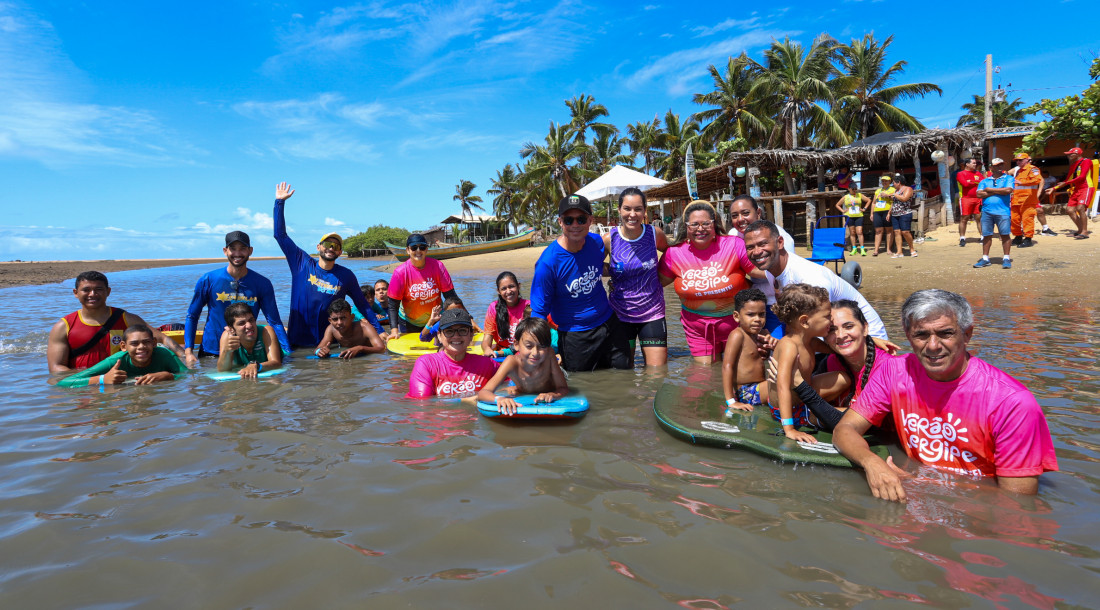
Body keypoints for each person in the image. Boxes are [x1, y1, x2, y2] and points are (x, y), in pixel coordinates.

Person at [834, 289, 1059, 502]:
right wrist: (872, 463)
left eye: (945, 333)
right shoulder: (893, 372)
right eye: (921, 335)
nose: (933, 346)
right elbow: (844, 430)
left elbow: (1016, 505)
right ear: (908, 337)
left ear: (967, 334)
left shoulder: (1012, 403)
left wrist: (920, 486)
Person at [272, 182, 384, 347]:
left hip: (329, 343)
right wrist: (279, 203)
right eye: (327, 243)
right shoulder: (301, 263)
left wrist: (380, 331)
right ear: (318, 247)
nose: (331, 248)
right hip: (297, 342)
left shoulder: (346, 276)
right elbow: (280, 235)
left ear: (339, 252)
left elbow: (362, 305)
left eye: (336, 246)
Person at [531, 194, 632, 372]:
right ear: (560, 222)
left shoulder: (596, 242)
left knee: (625, 377)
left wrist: (621, 275)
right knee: (584, 386)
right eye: (569, 220)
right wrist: (538, 350)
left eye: (581, 219)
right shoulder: (548, 263)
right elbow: (539, 312)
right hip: (575, 336)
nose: (575, 225)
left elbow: (598, 266)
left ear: (590, 220)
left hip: (609, 324)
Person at [742, 220, 889, 340]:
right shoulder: (770, 270)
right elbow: (794, 321)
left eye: (762, 244)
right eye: (750, 247)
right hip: (834, 333)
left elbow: (816, 334)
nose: (756, 252)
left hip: (867, 337)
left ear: (780, 242)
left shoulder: (809, 278)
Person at [766, 300, 895, 432]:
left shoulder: (888, 368)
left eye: (849, 326)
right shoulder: (831, 360)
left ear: (865, 328)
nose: (840, 335)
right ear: (825, 335)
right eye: (832, 330)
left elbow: (861, 426)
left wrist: (800, 385)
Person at [658, 200, 761, 364]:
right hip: (697, 329)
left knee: (740, 372)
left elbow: (760, 272)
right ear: (686, 227)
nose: (700, 229)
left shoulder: (734, 245)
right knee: (704, 375)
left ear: (715, 224)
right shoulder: (674, 253)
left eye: (706, 223)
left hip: (736, 325)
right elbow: (656, 284)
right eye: (694, 224)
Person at [47, 271, 193, 374]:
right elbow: (56, 369)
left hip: (122, 379)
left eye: (99, 289)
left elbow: (161, 338)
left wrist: (185, 357)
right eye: (86, 290)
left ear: (108, 291)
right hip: (86, 382)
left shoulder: (125, 318)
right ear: (75, 293)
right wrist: (93, 376)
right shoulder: (64, 326)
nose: (93, 294)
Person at [183, 230, 291, 360]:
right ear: (225, 251)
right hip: (212, 351)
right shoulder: (208, 280)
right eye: (233, 249)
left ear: (250, 251)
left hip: (245, 353)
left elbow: (274, 322)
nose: (237, 254)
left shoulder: (262, 283)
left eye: (242, 249)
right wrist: (189, 352)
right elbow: (192, 315)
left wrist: (288, 353)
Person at [603, 187, 669, 367]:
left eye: (638, 209)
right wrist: (613, 271)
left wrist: (662, 275)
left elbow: (673, 255)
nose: (632, 214)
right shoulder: (610, 239)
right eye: (627, 209)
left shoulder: (654, 234)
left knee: (657, 374)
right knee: (624, 372)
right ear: (619, 210)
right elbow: (594, 266)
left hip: (652, 312)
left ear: (644, 211)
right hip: (620, 313)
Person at [768, 284, 832, 443]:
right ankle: (797, 419)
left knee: (843, 378)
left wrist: (870, 340)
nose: (832, 320)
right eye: (827, 316)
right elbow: (782, 387)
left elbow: (842, 349)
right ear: (804, 321)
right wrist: (789, 429)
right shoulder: (789, 347)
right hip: (790, 410)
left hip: (803, 397)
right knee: (841, 417)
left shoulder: (811, 342)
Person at [726, 194, 793, 337]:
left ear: (758, 213)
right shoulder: (733, 235)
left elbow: (787, 274)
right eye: (735, 215)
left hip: (777, 304)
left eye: (745, 213)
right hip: (753, 303)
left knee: (778, 349)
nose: (740, 219)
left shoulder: (778, 235)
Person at [475, 317, 569, 416]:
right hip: (522, 392)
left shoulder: (549, 355)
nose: (535, 353)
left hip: (547, 390)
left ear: (548, 346)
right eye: (529, 346)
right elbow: (483, 393)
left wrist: (553, 395)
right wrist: (499, 399)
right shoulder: (511, 362)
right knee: (508, 390)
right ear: (516, 344)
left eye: (542, 347)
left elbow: (563, 388)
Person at [406, 309, 499, 399]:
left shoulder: (488, 364)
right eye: (449, 331)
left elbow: (509, 387)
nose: (456, 336)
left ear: (471, 335)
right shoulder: (426, 364)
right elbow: (421, 404)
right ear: (439, 335)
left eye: (462, 331)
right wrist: (463, 401)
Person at [57, 324, 187, 388]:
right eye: (135, 344)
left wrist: (168, 376)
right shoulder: (115, 361)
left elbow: (189, 375)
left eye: (146, 342)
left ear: (154, 343)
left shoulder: (165, 354)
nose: (141, 347)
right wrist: (103, 379)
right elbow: (63, 383)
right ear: (124, 346)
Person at [387, 234, 459, 339]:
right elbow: (393, 304)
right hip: (409, 322)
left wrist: (465, 318)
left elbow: (451, 297)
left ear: (426, 249)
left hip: (436, 319)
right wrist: (394, 331)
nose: (418, 250)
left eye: (422, 247)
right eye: (414, 247)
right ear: (408, 250)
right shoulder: (400, 273)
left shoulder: (438, 266)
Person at [721, 288, 770, 413]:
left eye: (762, 314)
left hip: (760, 387)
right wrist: (731, 401)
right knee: (784, 383)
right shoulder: (738, 335)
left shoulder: (764, 333)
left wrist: (770, 348)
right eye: (751, 314)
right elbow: (727, 366)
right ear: (737, 316)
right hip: (746, 392)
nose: (757, 319)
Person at [216, 303, 283, 379]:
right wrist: (227, 351)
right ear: (231, 329)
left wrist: (256, 366)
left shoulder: (266, 331)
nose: (249, 325)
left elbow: (277, 363)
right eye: (241, 323)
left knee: (275, 381)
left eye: (251, 320)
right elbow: (222, 370)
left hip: (285, 359)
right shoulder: (228, 337)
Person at [974, 158, 1015, 269]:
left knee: (1005, 235)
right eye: (997, 165)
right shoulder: (984, 181)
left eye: (1001, 165)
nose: (1000, 167)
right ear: (991, 167)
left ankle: (1006, 258)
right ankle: (985, 259)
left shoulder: (1009, 178)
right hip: (987, 212)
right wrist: (997, 190)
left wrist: (989, 190)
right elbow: (979, 195)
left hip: (1003, 211)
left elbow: (1008, 191)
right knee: (986, 235)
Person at [480, 272, 531, 358]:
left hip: (525, 353)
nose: (508, 291)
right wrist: (487, 349)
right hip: (501, 354)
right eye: (504, 288)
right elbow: (487, 338)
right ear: (498, 291)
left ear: (518, 286)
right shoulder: (494, 308)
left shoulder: (529, 307)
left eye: (511, 286)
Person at [315, 300, 387, 359]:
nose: (339, 322)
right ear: (330, 320)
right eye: (335, 319)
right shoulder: (331, 329)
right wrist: (320, 351)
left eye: (343, 318)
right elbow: (318, 348)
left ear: (352, 317)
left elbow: (381, 349)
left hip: (368, 360)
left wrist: (360, 348)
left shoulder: (365, 327)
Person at [1046, 147, 1091, 239]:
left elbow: (1082, 177)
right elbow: (1068, 180)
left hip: (1086, 187)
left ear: (1077, 154)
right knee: (1069, 210)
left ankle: (1085, 232)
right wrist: (1053, 188)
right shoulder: (1073, 165)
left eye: (1071, 154)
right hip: (1077, 189)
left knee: (1080, 208)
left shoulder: (1086, 161)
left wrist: (1066, 183)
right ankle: (1080, 230)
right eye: (1068, 154)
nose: (1068, 156)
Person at [1008, 152, 1042, 248]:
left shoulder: (1033, 169)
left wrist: (1022, 182)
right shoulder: (1018, 171)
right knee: (1014, 219)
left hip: (1028, 200)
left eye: (1020, 160)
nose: (1018, 162)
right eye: (1017, 160)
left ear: (1027, 160)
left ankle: (1028, 239)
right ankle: (1018, 237)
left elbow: (1037, 180)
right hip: (1016, 199)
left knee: (1027, 219)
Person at [835, 183, 870, 256]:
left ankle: (862, 248)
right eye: (853, 189)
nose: (854, 190)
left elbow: (869, 200)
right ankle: (854, 248)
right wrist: (843, 211)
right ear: (849, 189)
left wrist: (864, 209)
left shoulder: (859, 195)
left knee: (859, 232)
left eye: (855, 189)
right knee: (852, 232)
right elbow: (837, 205)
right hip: (849, 216)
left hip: (859, 215)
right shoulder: (846, 197)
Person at [956, 157, 984, 247]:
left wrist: (971, 181)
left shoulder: (978, 173)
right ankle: (962, 238)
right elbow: (965, 184)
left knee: (979, 218)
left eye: (975, 163)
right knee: (964, 218)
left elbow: (983, 183)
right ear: (967, 164)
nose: (975, 165)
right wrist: (976, 182)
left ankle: (983, 237)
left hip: (978, 198)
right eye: (973, 163)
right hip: (965, 198)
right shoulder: (960, 174)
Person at [889, 174, 918, 257]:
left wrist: (894, 195)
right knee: (897, 232)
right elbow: (893, 203)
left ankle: (912, 249)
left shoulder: (908, 189)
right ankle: (899, 251)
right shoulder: (895, 191)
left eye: (894, 183)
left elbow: (904, 198)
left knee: (905, 231)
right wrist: (889, 212)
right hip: (895, 214)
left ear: (899, 182)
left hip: (905, 213)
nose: (893, 184)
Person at [869, 175, 895, 257]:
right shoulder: (877, 191)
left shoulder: (893, 190)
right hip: (877, 211)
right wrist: (871, 213)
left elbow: (894, 202)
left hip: (887, 210)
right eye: (883, 181)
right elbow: (873, 202)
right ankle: (876, 250)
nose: (884, 182)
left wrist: (889, 212)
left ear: (890, 182)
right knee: (878, 231)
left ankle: (888, 249)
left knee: (889, 230)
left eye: (886, 181)